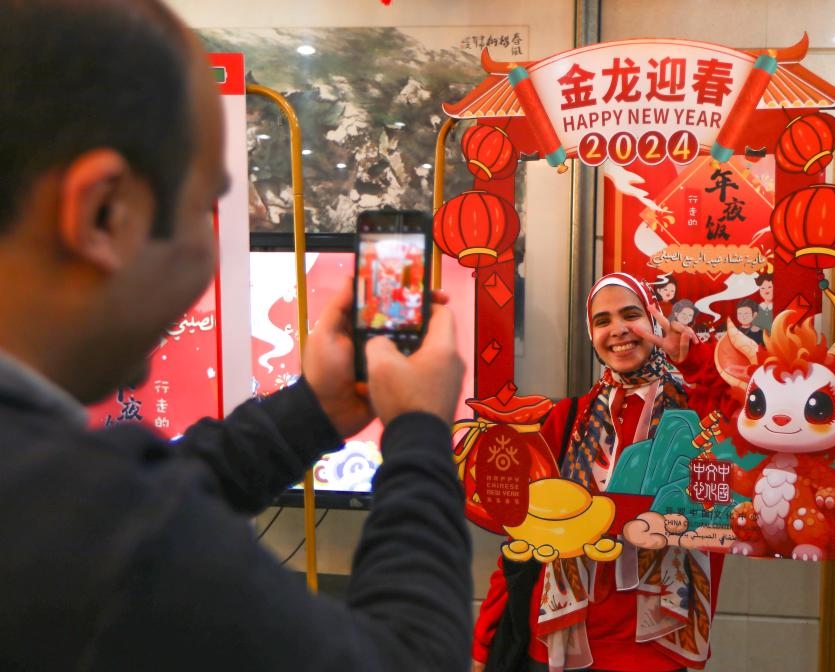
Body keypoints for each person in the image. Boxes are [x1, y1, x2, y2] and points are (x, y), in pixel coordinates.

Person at [0, 1, 471, 670]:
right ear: (104, 211)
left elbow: (130, 502)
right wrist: (421, 433)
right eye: (206, 207)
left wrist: (313, 412)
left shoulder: (60, 502)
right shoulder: (119, 542)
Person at [471, 273, 730, 672]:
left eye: (632, 315)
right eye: (602, 320)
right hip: (559, 637)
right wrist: (484, 639)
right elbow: (521, 537)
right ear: (591, 334)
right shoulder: (565, 420)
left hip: (657, 647)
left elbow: (754, 425)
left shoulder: (699, 416)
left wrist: (696, 362)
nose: (618, 330)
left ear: (654, 319)